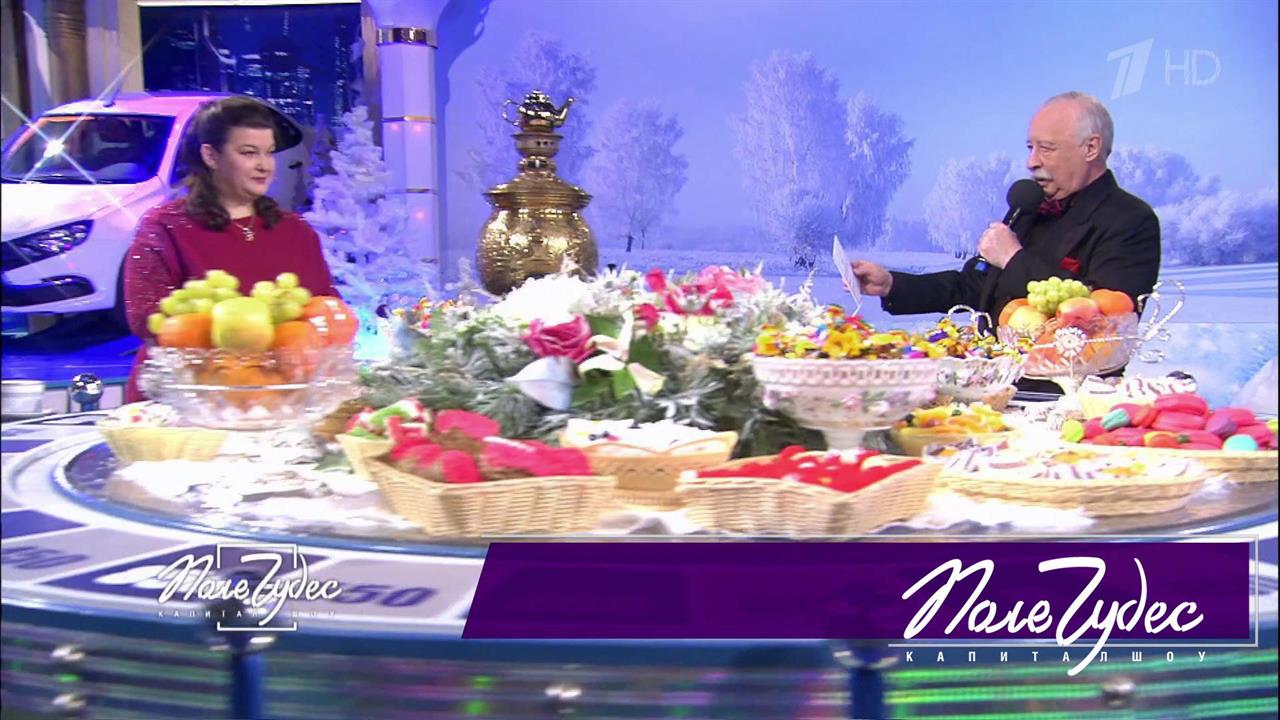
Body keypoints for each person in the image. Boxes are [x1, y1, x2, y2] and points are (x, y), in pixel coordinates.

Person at [851, 91, 1160, 335]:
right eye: (1030, 148)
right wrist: (892, 284)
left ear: (1091, 148)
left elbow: (1105, 322)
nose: (1031, 162)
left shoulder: (1131, 219)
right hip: (996, 376)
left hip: (1066, 388)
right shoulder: (1030, 207)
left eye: (1046, 148)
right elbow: (973, 286)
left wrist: (1013, 258)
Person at [122, 96, 338, 402]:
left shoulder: (297, 231)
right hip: (189, 401)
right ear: (211, 156)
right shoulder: (165, 226)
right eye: (249, 153)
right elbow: (147, 319)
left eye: (269, 153)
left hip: (276, 400)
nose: (264, 166)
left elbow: (326, 312)